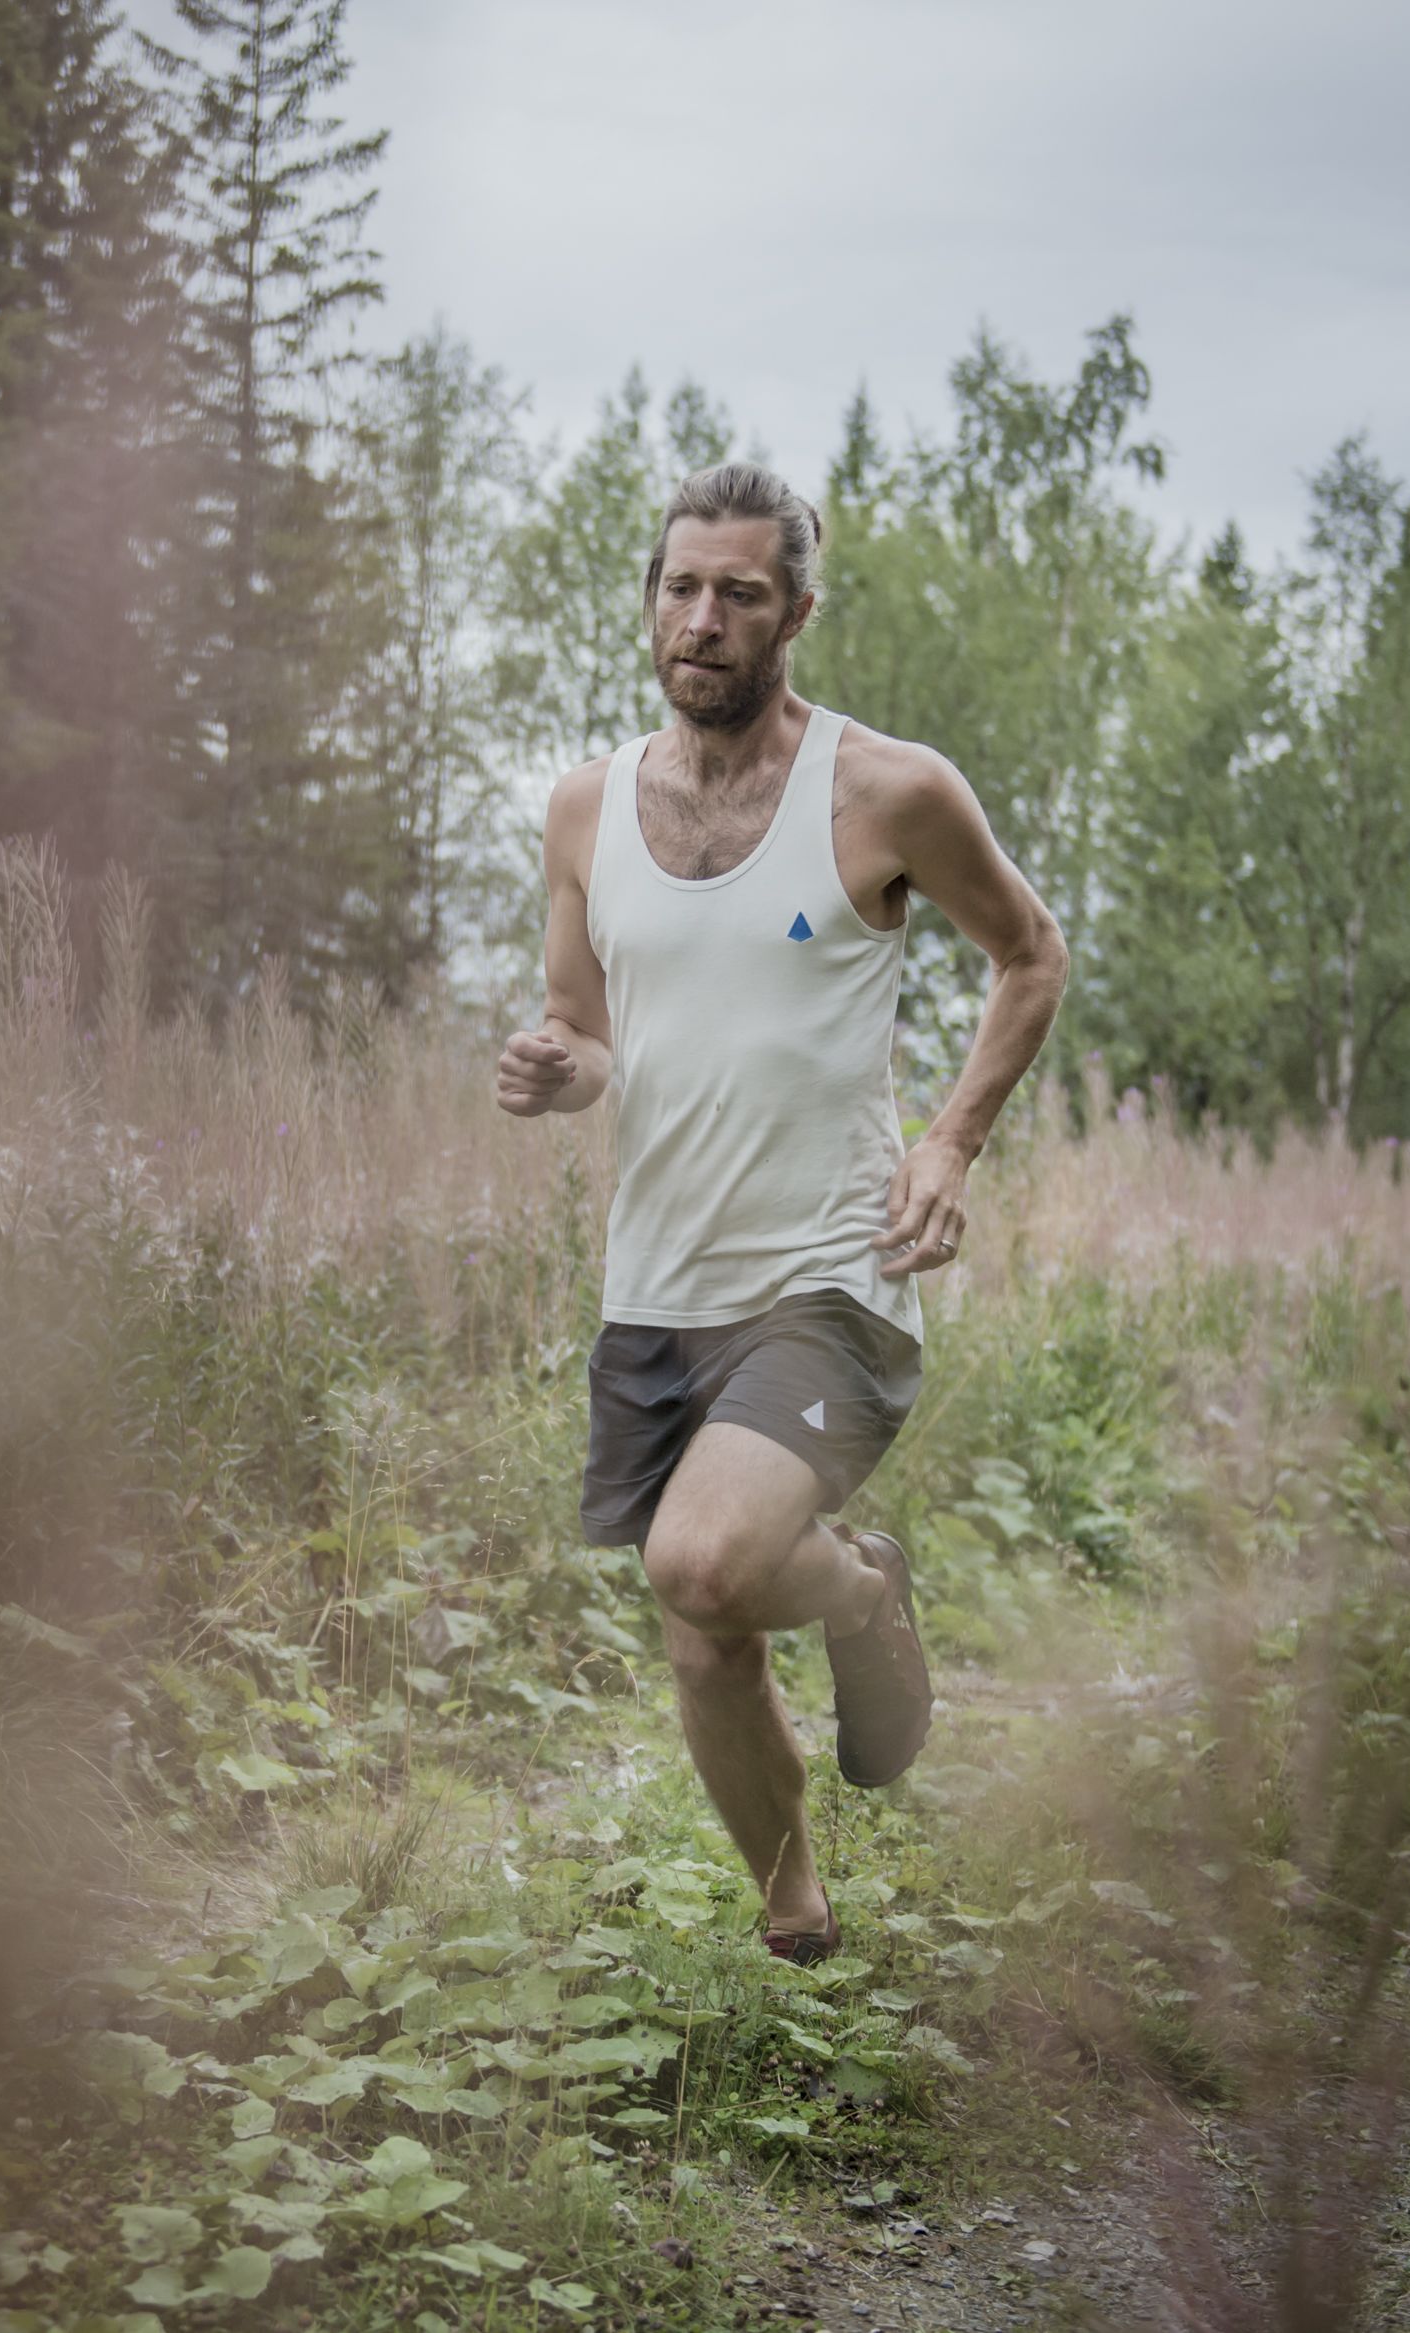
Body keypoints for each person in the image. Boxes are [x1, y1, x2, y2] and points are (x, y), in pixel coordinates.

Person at [495, 461, 1067, 1962]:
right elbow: (591, 1039)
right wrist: (558, 1070)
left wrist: (951, 1142)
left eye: (741, 593)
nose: (704, 618)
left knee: (705, 1559)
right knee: (707, 1631)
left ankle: (866, 1591)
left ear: (798, 611)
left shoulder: (886, 792)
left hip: (829, 1279)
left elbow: (1032, 954)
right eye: (682, 588)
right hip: (657, 1285)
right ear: (648, 606)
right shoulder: (582, 813)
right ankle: (795, 1909)